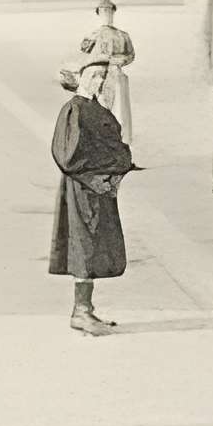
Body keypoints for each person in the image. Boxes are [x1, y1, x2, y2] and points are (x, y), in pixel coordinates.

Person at [50, 65, 135, 334]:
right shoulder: (74, 109)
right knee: (84, 245)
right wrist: (98, 176)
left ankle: (86, 309)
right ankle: (81, 311)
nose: (99, 80)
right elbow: (67, 156)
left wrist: (116, 172)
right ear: (81, 79)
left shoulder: (98, 108)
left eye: (102, 76)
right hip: (83, 189)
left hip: (102, 189)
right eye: (94, 75)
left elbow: (118, 144)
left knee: (97, 245)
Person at [78, 0, 137, 151]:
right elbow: (84, 53)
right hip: (94, 76)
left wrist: (117, 60)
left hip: (115, 74)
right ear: (98, 13)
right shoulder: (92, 35)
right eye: (103, 10)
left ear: (113, 12)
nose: (106, 13)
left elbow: (130, 55)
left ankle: (119, 149)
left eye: (109, 10)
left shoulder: (122, 35)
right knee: (93, 114)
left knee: (118, 114)